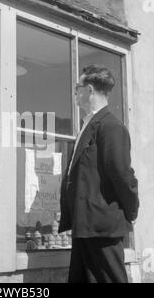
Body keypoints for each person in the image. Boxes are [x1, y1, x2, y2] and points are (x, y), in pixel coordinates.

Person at [58, 64, 139, 283]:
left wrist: (131, 212)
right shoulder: (87, 125)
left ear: (89, 90)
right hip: (84, 226)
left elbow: (123, 175)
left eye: (78, 87)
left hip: (102, 228)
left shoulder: (111, 126)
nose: (75, 92)